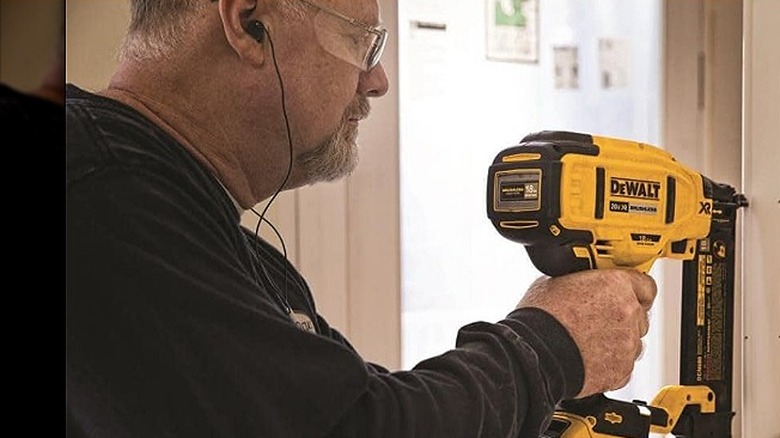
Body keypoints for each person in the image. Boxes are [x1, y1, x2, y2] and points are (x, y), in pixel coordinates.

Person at [65, 0, 657, 436]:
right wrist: (549, 345)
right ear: (249, 23)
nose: (377, 81)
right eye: (362, 43)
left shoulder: (208, 236)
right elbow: (353, 428)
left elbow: (348, 404)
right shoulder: (102, 192)